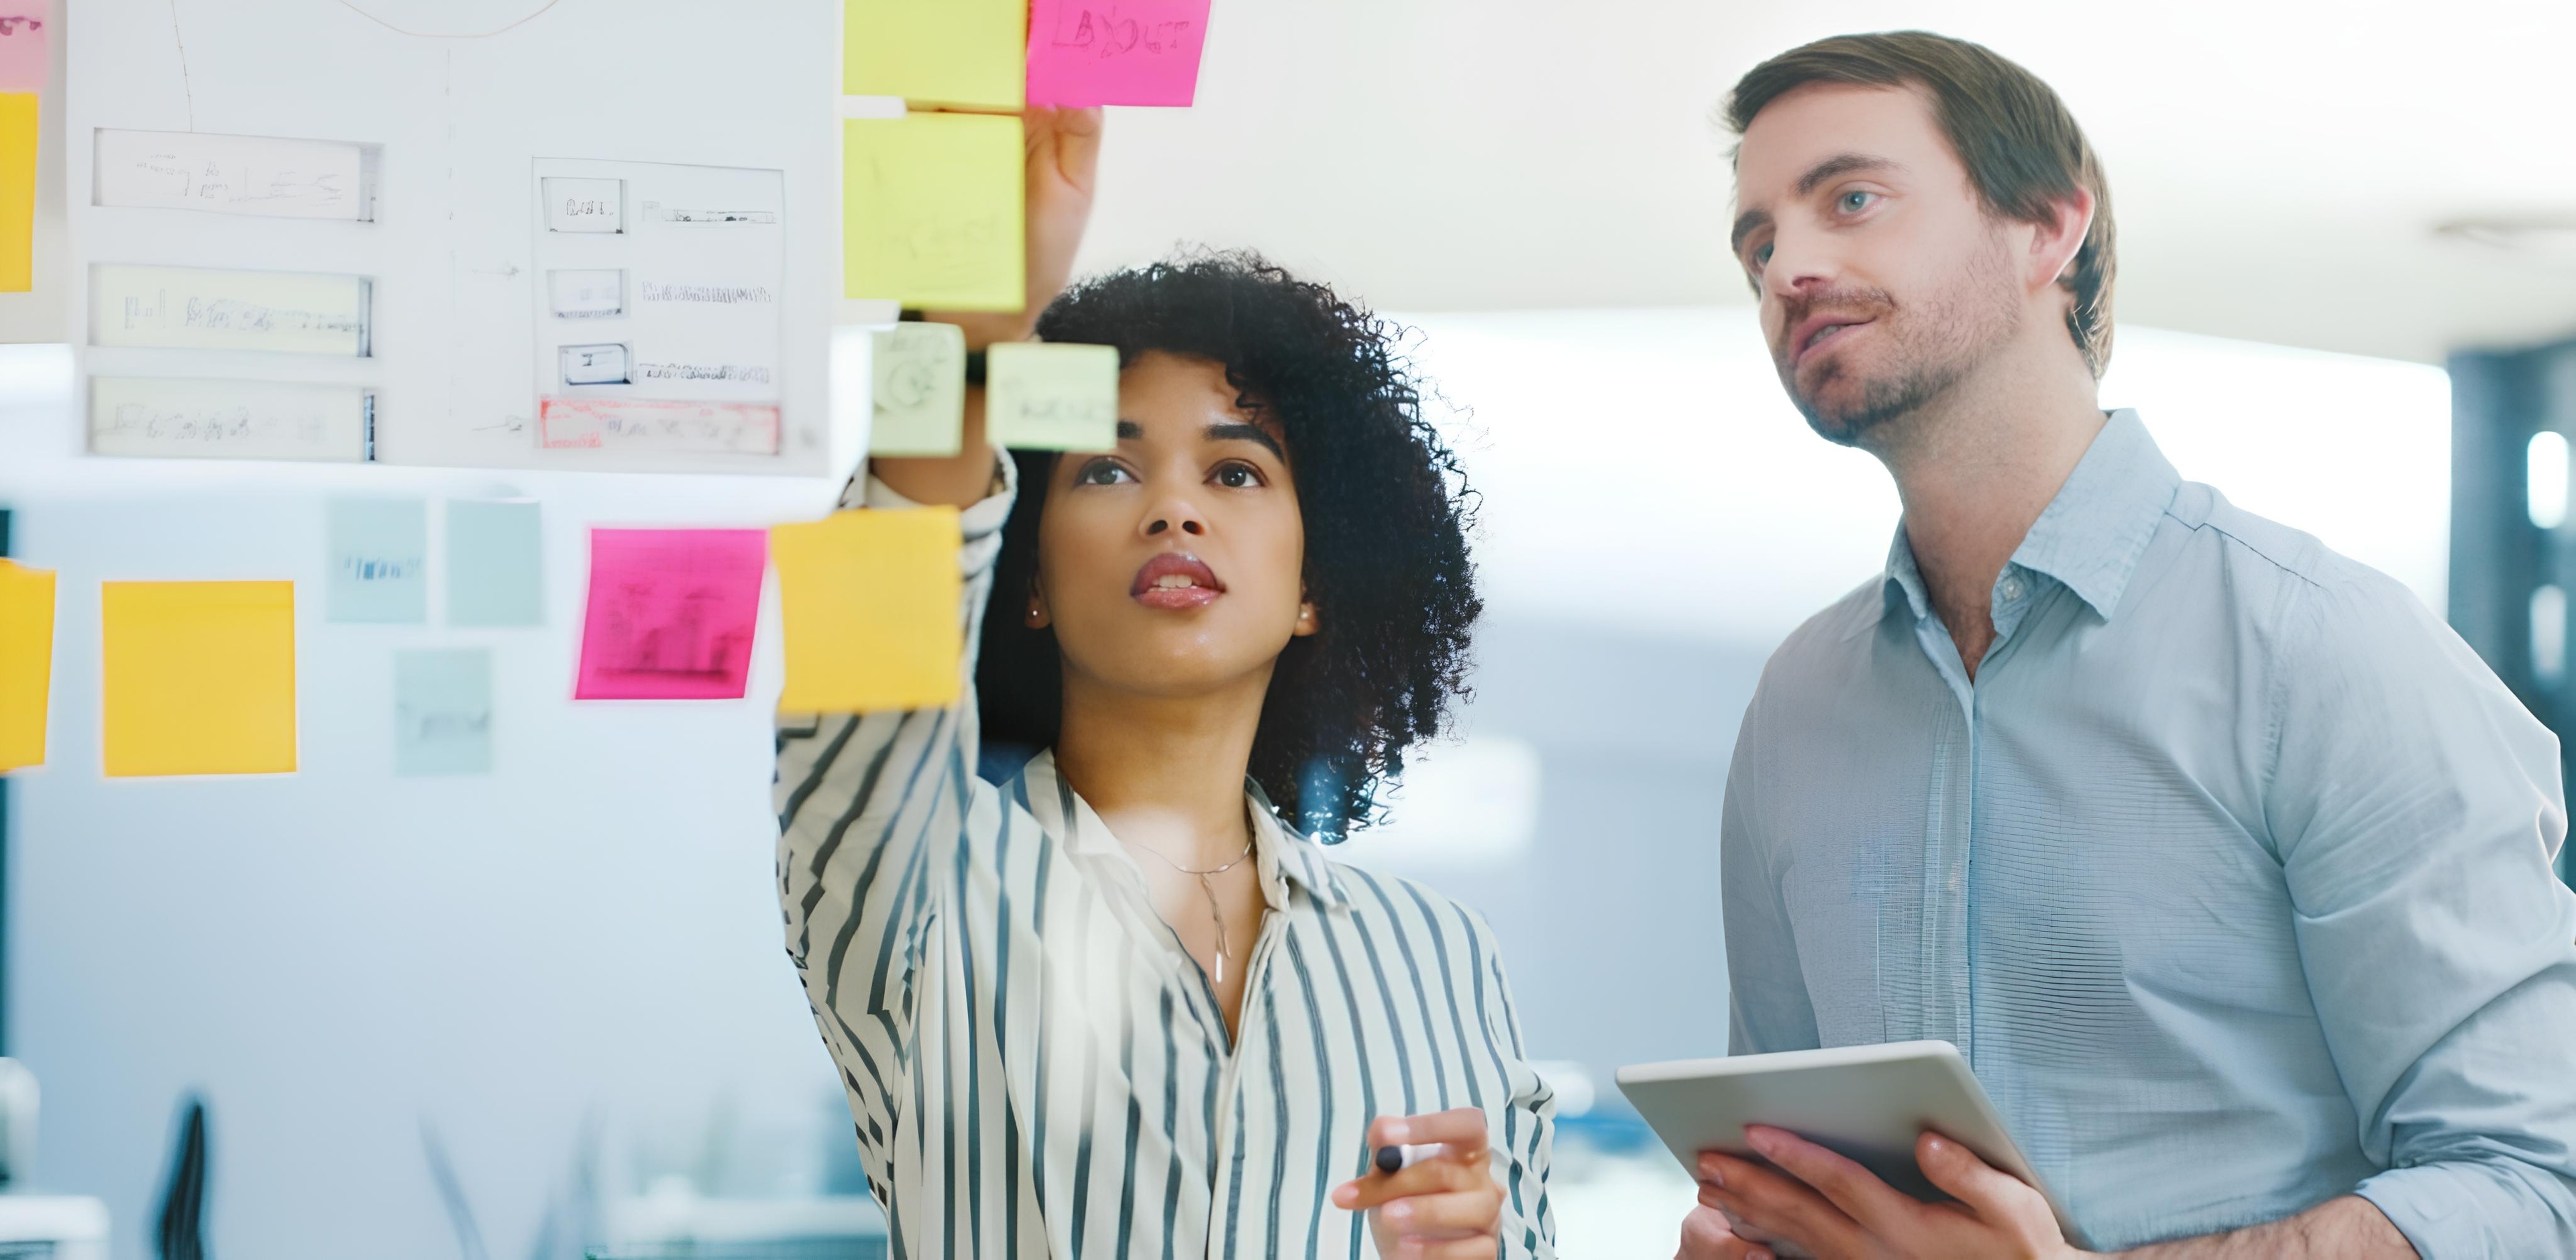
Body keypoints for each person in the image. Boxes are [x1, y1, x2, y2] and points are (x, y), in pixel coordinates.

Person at [1679, 31, 2576, 1260]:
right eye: (1759, 242)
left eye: (1852, 199)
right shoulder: (1798, 707)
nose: (1791, 267)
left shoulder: (2326, 650)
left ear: (2049, 227)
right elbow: (1786, 1182)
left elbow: (2538, 1186)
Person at [776, 107, 1556, 1259]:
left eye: (1236, 469)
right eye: (1106, 465)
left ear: (1313, 589)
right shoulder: (923, 884)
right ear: (1029, 574)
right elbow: (870, 644)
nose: (1176, 507)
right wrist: (964, 333)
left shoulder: (1439, 954)